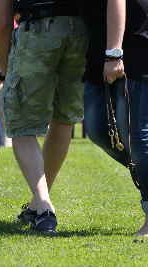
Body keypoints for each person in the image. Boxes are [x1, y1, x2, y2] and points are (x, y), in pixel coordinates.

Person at [0, 0, 87, 232]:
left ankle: (44, 208)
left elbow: (2, 23)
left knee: (22, 125)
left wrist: (5, 67)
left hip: (37, 30)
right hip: (80, 32)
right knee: (63, 120)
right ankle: (37, 204)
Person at [83, 0, 148, 236]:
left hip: (131, 48)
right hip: (99, 51)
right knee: (97, 129)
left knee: (136, 138)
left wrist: (113, 54)